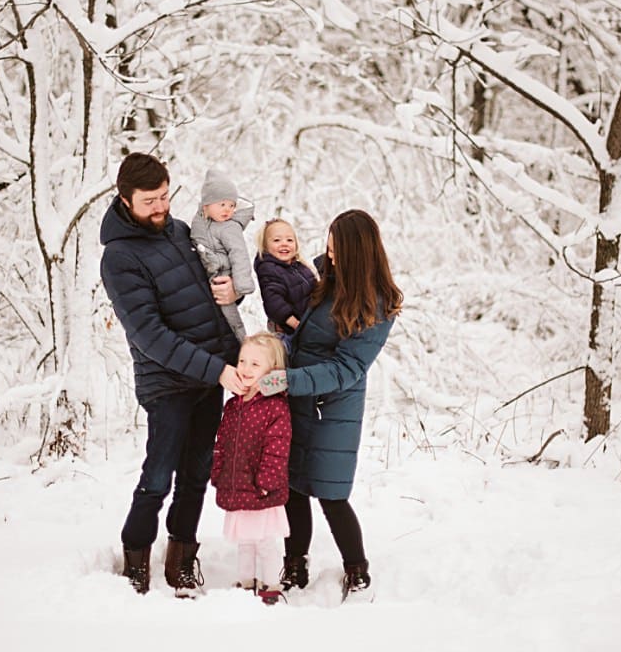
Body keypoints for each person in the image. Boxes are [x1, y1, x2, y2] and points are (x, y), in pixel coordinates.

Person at [99, 152, 249, 597]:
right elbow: (150, 336)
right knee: (159, 476)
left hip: (210, 376)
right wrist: (217, 369)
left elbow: (209, 296)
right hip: (167, 384)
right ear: (125, 200)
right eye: (149, 201)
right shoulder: (119, 258)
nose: (161, 207)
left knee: (196, 474)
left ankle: (181, 559)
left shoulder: (181, 232)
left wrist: (231, 293)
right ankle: (136, 558)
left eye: (165, 196)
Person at [259, 209, 403, 601]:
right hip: (298, 402)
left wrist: (287, 380)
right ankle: (295, 564)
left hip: (331, 410)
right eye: (329, 247)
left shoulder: (376, 304)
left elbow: (346, 368)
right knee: (293, 489)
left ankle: (357, 569)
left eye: (337, 249)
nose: (330, 255)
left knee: (332, 494)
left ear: (357, 252)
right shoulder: (325, 283)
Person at [210, 332, 292, 605]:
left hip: (262, 488)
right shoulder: (234, 405)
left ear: (271, 371)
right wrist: (218, 471)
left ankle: (270, 585)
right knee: (245, 541)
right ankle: (246, 582)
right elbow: (222, 442)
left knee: (265, 541)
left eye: (255, 364)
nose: (245, 368)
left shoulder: (275, 406)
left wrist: (267, 481)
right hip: (238, 485)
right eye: (242, 361)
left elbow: (277, 447)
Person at [189, 169, 255, 341]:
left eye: (232, 205)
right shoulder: (199, 221)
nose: (227, 210)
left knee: (232, 321)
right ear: (207, 205)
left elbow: (239, 254)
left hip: (223, 277)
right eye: (222, 204)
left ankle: (243, 345)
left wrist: (241, 285)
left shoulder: (229, 227)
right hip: (206, 280)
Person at [253, 218, 318, 342]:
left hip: (308, 325)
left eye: (289, 240)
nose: (284, 244)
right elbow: (274, 303)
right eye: (277, 240)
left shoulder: (299, 267)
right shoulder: (269, 269)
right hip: (289, 331)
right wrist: (296, 324)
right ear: (265, 246)